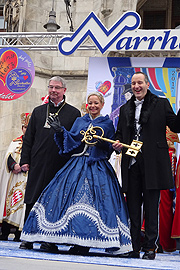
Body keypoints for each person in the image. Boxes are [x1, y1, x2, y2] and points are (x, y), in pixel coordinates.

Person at [20, 92, 132, 256]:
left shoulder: (107, 123)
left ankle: (87, 242)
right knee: (60, 197)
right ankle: (56, 238)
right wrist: (60, 131)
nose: (93, 106)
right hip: (76, 164)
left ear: (101, 104)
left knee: (98, 202)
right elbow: (71, 140)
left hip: (97, 165)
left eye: (96, 103)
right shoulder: (80, 121)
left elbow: (108, 149)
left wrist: (103, 142)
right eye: (90, 103)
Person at [112, 71, 180, 260]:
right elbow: (119, 133)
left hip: (153, 163)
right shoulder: (125, 107)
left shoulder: (161, 103)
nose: (136, 86)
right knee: (132, 208)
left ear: (147, 84)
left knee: (151, 208)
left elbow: (176, 127)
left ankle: (150, 248)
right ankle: (133, 247)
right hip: (131, 163)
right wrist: (117, 143)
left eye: (140, 82)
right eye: (133, 83)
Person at [19, 76, 81, 251]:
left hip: (59, 164)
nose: (53, 90)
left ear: (64, 90)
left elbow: (75, 140)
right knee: (32, 199)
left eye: (57, 88)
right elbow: (28, 139)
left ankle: (50, 240)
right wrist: (25, 160)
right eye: (51, 87)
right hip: (38, 163)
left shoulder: (73, 113)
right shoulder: (38, 111)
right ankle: (27, 237)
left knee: (54, 202)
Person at [0, 113, 31, 241]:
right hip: (14, 178)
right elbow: (8, 157)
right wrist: (14, 166)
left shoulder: (36, 144)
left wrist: (27, 165)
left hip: (27, 179)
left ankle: (20, 234)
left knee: (23, 206)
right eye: (24, 127)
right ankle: (5, 232)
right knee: (10, 203)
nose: (26, 129)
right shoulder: (15, 142)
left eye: (28, 127)